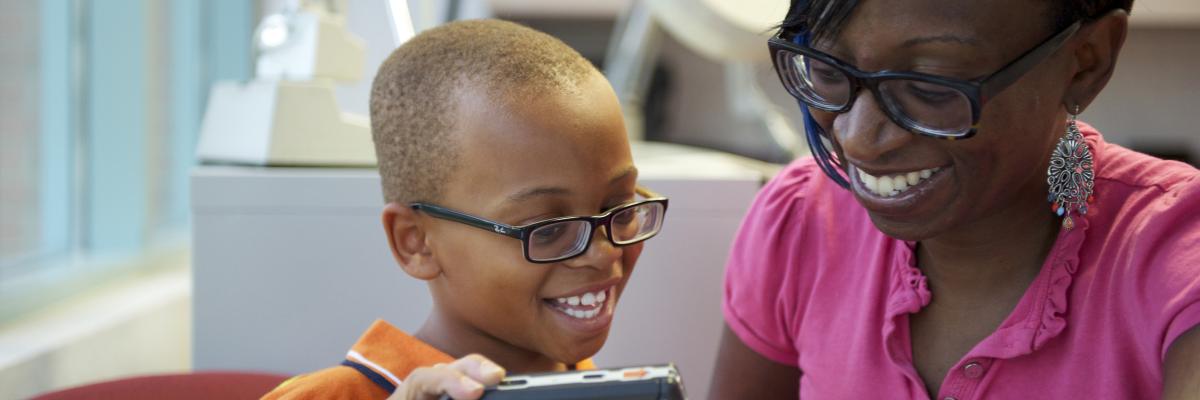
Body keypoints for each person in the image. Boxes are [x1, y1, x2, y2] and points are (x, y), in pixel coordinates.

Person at [709, 0, 1200, 398]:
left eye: (929, 84)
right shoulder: (803, 220)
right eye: (828, 70)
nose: (857, 137)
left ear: (1086, 61)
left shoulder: (1176, 256)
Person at [263, 19, 669, 400]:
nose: (604, 253)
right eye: (546, 229)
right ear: (416, 242)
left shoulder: (590, 383)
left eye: (619, 207)